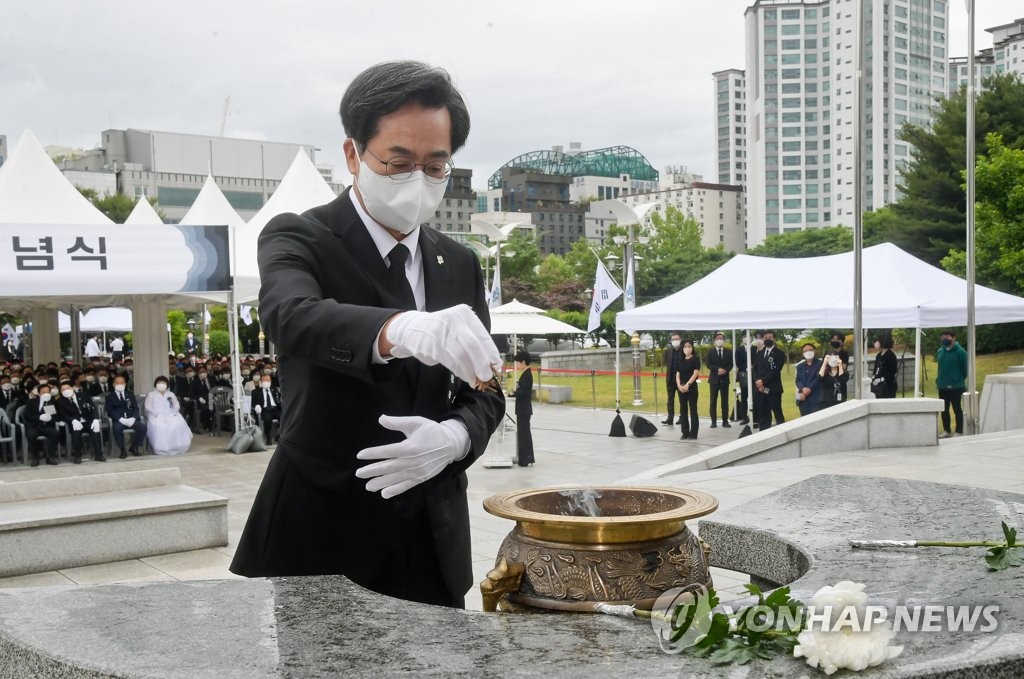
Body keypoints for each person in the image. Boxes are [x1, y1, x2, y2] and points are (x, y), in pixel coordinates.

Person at [230, 61, 504, 610]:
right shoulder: (301, 235)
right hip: (323, 528)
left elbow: (486, 387)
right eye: (399, 162)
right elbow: (291, 313)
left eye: (435, 165)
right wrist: (400, 328)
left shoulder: (459, 264)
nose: (418, 180)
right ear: (354, 154)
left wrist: (456, 437)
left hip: (431, 532)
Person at [57, 379, 104, 463]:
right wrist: (72, 420)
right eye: (63, 390)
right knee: (76, 433)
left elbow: (93, 408)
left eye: (67, 388)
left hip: (88, 420)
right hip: (75, 422)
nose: (66, 391)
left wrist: (96, 419)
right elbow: (63, 415)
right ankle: (77, 456)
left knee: (95, 431)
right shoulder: (60, 401)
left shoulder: (83, 395)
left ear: (72, 388)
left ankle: (99, 455)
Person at [145, 376, 192, 455]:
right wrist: (157, 415)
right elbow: (148, 407)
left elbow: (177, 405)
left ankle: (177, 446)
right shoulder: (151, 394)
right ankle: (161, 448)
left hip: (170, 414)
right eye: (159, 383)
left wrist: (173, 413)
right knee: (160, 426)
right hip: (156, 416)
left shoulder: (171, 394)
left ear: (167, 384)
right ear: (156, 384)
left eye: (163, 383)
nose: (161, 384)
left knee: (178, 423)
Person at [936, 330, 968, 438]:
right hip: (942, 385)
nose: (944, 339)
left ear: (953, 338)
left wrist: (958, 379)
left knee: (957, 408)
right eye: (943, 337)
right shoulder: (940, 351)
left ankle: (959, 430)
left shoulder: (961, 352)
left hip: (956, 386)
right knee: (944, 409)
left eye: (947, 337)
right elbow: (940, 367)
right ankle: (946, 430)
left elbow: (964, 370)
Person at [105, 374, 146, 458]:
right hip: (119, 420)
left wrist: (134, 418)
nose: (120, 385)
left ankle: (134, 446)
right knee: (117, 428)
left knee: (142, 427)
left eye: (122, 383)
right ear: (113, 384)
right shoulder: (109, 396)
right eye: (117, 383)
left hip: (131, 419)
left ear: (125, 384)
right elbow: (110, 411)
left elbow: (136, 408)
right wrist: (120, 419)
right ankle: (122, 449)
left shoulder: (130, 394)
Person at [22, 379, 60, 466]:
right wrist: (39, 417)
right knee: (31, 435)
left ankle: (50, 456)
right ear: (39, 393)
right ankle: (35, 457)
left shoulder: (50, 403)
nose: (46, 394)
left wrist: (50, 418)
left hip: (45, 426)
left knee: (56, 433)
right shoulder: (32, 402)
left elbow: (55, 417)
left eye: (48, 392)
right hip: (33, 426)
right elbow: (27, 415)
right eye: (43, 392)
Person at [752, 330, 785, 429]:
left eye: (770, 337)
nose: (767, 340)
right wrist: (758, 381)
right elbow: (755, 369)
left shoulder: (779, 353)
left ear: (774, 339)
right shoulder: (760, 353)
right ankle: (763, 433)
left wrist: (762, 381)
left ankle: (783, 432)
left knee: (777, 411)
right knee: (763, 412)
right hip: (760, 389)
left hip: (773, 388)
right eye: (765, 338)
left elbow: (776, 371)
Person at [510, 351, 534, 466]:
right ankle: (525, 458)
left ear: (523, 362)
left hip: (524, 409)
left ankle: (526, 459)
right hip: (523, 409)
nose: (517, 366)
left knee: (524, 434)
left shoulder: (527, 375)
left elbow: (524, 392)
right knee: (523, 434)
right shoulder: (525, 374)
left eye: (518, 363)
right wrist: (515, 392)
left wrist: (515, 394)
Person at [675, 339, 701, 439]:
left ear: (692, 348)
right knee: (683, 410)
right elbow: (677, 374)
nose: (687, 348)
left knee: (693, 410)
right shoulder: (680, 360)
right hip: (681, 388)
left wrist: (688, 385)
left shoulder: (695, 359)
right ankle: (685, 432)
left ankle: (693, 433)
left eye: (689, 346)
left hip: (692, 388)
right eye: (685, 347)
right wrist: (679, 385)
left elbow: (695, 373)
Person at [706, 332, 732, 429]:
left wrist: (725, 370)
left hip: (725, 379)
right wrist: (717, 369)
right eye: (718, 338)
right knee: (713, 401)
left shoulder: (728, 351)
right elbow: (708, 364)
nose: (719, 340)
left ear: (724, 340)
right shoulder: (710, 352)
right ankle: (713, 421)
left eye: (721, 338)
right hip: (714, 380)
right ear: (714, 340)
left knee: (725, 402)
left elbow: (731, 364)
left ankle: (725, 421)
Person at [251, 372, 283, 444]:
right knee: (267, 419)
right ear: (261, 382)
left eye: (268, 380)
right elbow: (253, 402)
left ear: (270, 381)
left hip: (275, 409)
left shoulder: (274, 390)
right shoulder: (255, 392)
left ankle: (279, 435)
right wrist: (256, 406)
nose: (266, 382)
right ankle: (268, 436)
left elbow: (279, 400)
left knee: (284, 417)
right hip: (264, 410)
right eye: (264, 380)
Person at [662, 332, 685, 425]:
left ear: (680, 340)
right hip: (670, 379)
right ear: (671, 341)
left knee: (682, 400)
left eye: (677, 339)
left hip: (681, 380)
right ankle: (670, 418)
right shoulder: (668, 351)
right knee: (670, 400)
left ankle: (682, 418)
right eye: (673, 339)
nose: (675, 341)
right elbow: (667, 363)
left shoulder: (684, 350)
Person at [795, 343, 822, 416]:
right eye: (805, 351)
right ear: (803, 353)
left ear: (815, 351)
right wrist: (802, 388)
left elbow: (819, 378)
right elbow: (798, 380)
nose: (808, 352)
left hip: (816, 398)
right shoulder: (800, 366)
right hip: (803, 398)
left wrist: (809, 388)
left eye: (810, 350)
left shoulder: (821, 364)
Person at [829, 333, 851, 402]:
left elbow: (844, 367)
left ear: (842, 342)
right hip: (829, 380)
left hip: (840, 380)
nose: (835, 341)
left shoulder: (844, 353)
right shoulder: (828, 353)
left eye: (837, 339)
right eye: (833, 339)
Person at [734, 336, 750, 425]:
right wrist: (746, 368)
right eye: (744, 336)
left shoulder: (755, 348)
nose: (746, 338)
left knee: (755, 397)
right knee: (744, 396)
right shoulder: (739, 350)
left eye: (748, 336)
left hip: (754, 374)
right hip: (743, 374)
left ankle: (756, 417)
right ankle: (744, 417)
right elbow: (738, 362)